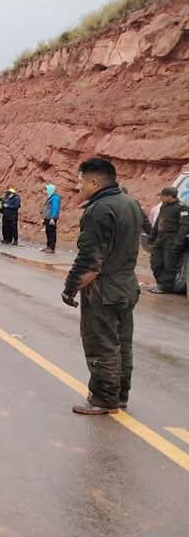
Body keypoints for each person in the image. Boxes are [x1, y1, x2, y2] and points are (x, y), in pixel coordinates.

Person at [62, 158, 143, 415]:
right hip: (127, 285)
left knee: (101, 343)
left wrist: (70, 287)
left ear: (94, 181)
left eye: (80, 182)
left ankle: (103, 399)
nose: (78, 187)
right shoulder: (130, 203)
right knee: (122, 343)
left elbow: (90, 261)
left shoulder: (99, 210)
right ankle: (119, 394)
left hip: (104, 289)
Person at [147, 186, 189, 294]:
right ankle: (161, 283)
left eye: (162, 196)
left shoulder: (182, 208)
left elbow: (184, 226)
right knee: (155, 262)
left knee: (169, 264)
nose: (160, 198)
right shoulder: (164, 206)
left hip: (172, 239)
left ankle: (165, 287)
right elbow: (158, 223)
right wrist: (152, 237)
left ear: (170, 196)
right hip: (161, 238)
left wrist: (178, 242)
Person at [43, 183, 61, 254]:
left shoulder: (55, 197)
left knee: (51, 233)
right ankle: (48, 246)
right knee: (48, 232)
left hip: (51, 218)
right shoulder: (50, 197)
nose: (46, 191)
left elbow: (55, 208)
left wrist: (52, 218)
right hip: (48, 217)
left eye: (47, 189)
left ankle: (52, 248)